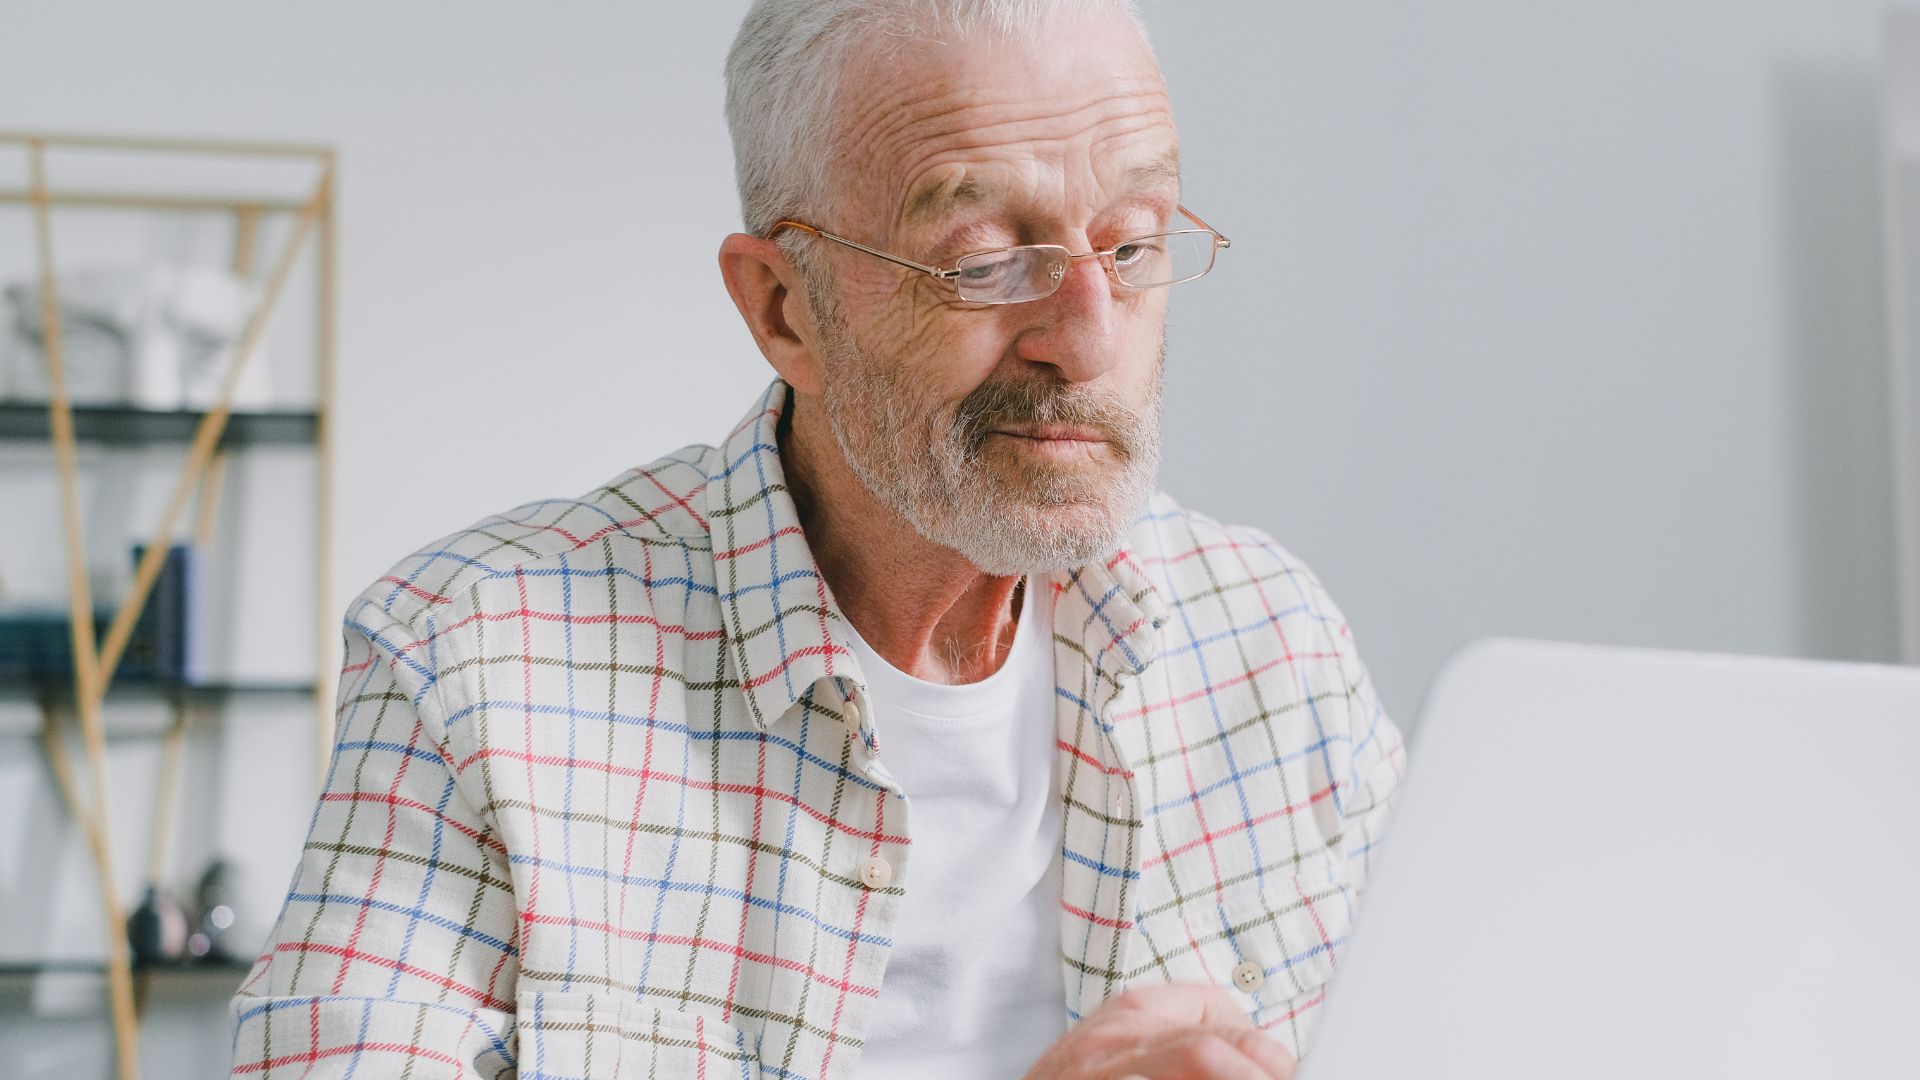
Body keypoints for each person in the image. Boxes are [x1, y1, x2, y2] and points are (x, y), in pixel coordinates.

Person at [227, 2, 1406, 1077]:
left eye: (1134, 246)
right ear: (783, 308)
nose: (1088, 342)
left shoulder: (1277, 648)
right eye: (989, 263)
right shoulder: (474, 665)